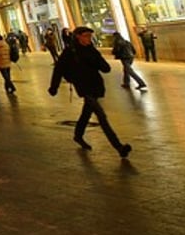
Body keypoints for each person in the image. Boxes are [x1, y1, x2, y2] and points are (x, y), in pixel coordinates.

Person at [48, 26, 132, 158]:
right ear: (78, 36)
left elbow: (106, 68)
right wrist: (54, 87)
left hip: (96, 86)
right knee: (101, 117)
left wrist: (95, 61)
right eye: (86, 36)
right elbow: (58, 69)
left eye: (90, 36)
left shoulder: (91, 49)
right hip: (83, 87)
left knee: (86, 113)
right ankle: (118, 146)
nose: (88, 39)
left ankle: (78, 135)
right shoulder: (70, 51)